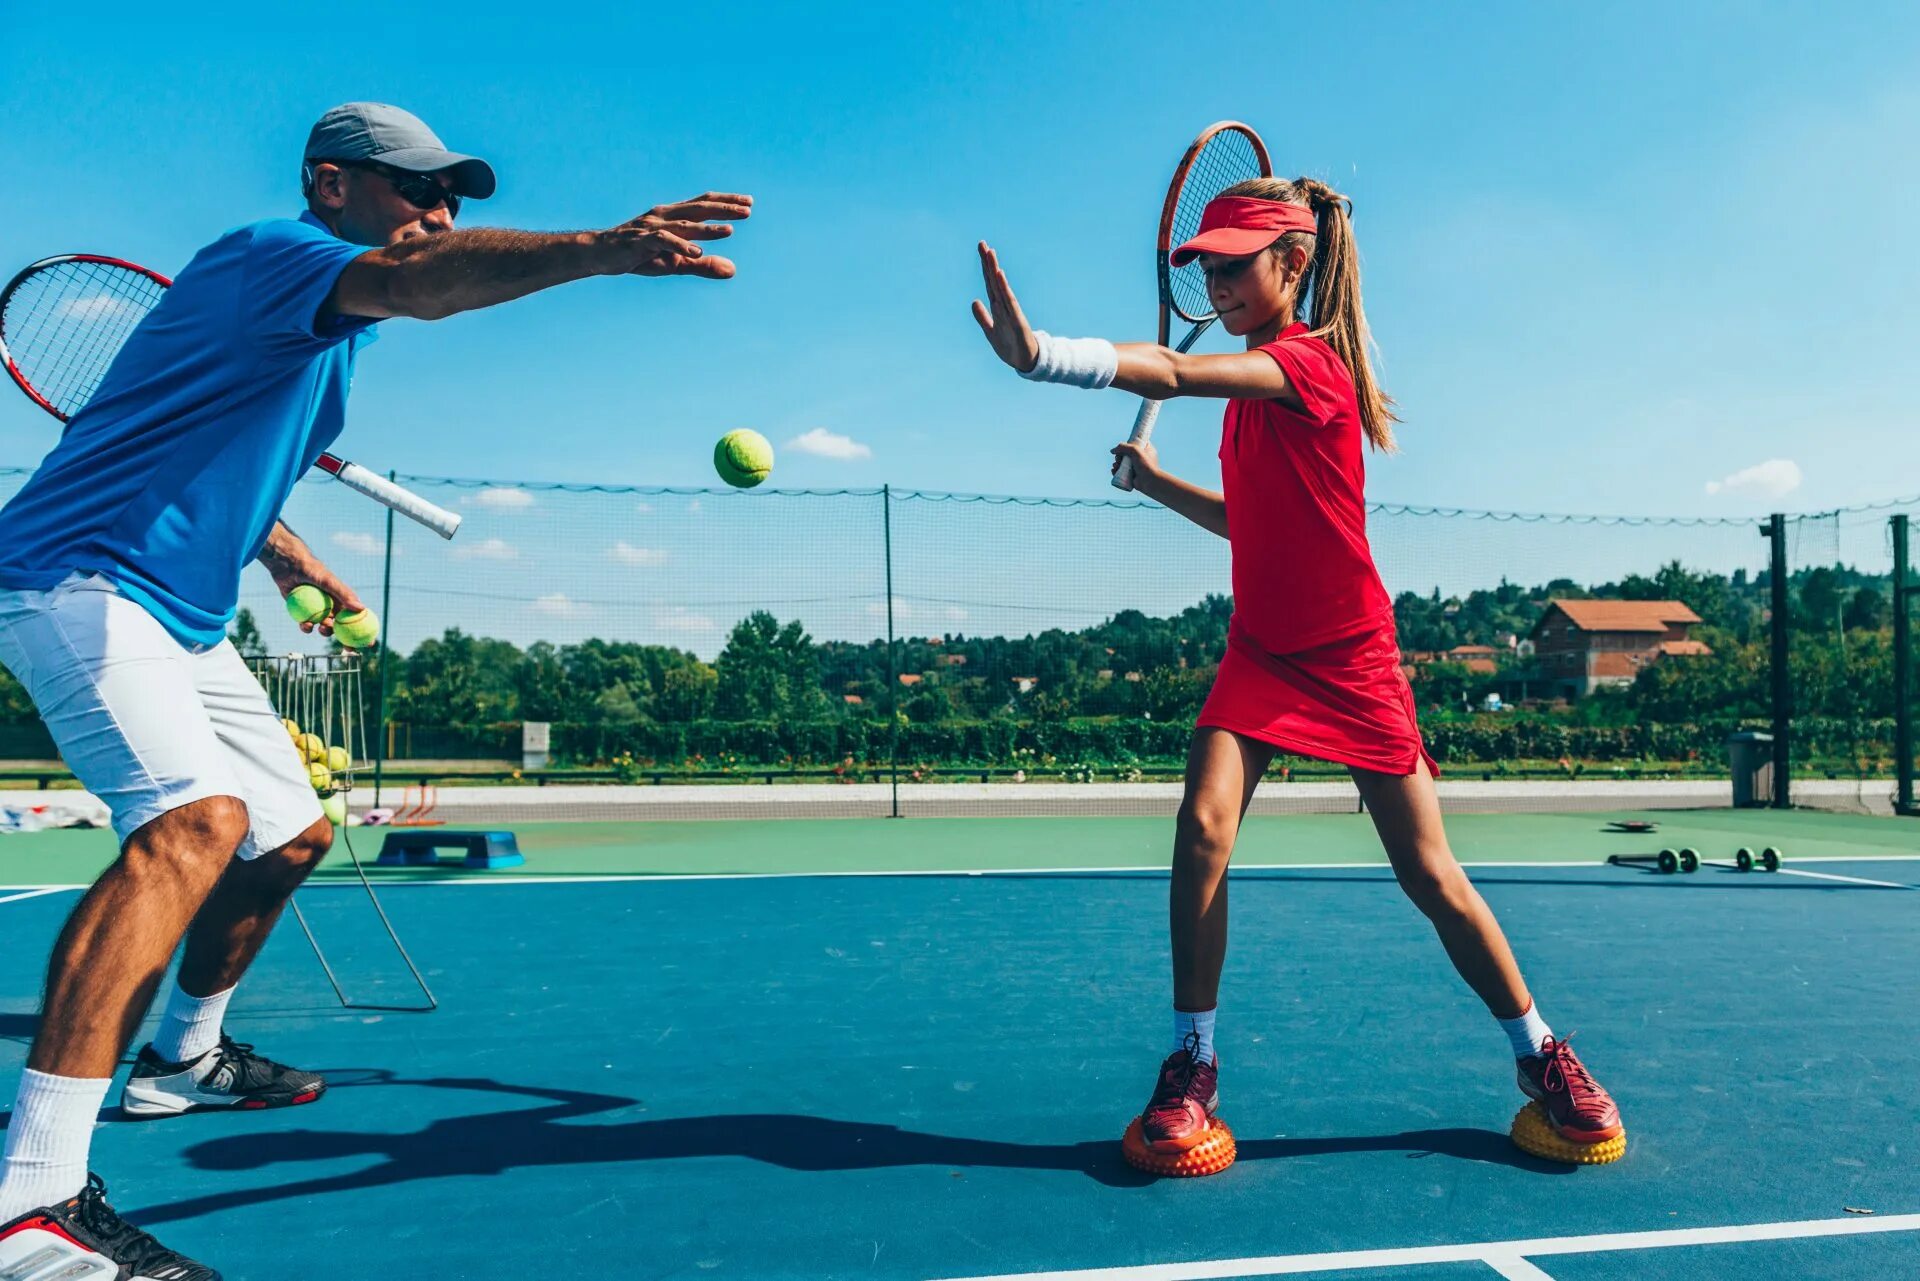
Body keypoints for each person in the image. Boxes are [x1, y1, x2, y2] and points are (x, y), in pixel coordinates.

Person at [0, 102, 751, 1278]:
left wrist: (299, 564)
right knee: (194, 826)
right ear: (330, 185)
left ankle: (184, 1059)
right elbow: (423, 282)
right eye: (414, 190)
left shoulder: (325, 344)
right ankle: (29, 1206)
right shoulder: (278, 257)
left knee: (289, 835)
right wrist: (601, 248)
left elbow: (237, 460)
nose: (438, 212)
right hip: (78, 578)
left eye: (450, 195)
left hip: (182, 612)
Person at [971, 178, 1620, 1171]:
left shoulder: (1311, 365)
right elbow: (1250, 524)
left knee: (1429, 873)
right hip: (1262, 650)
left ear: (1294, 263)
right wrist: (1153, 486)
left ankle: (1541, 1055)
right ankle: (1194, 1060)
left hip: (1352, 657)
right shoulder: (1254, 393)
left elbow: (1173, 378)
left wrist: (1044, 357)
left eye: (1235, 261)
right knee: (1201, 828)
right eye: (1206, 265)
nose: (1218, 281)